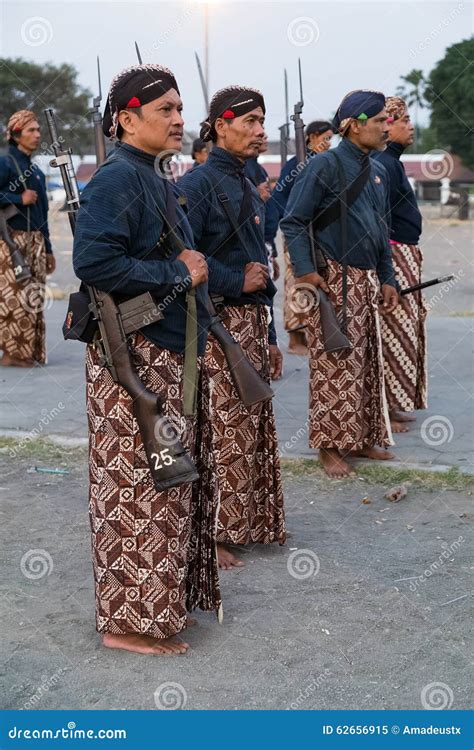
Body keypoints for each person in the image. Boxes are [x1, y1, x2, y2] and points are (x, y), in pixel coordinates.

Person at [72, 64, 221, 656]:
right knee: (136, 487)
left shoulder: (151, 173)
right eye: (166, 110)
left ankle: (157, 609)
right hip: (133, 354)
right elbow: (94, 263)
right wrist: (175, 273)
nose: (180, 119)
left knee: (165, 481)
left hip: (164, 350)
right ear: (127, 120)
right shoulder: (118, 177)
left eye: (181, 109)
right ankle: (126, 625)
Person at [179, 85, 286, 569]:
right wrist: (233, 279)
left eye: (262, 121)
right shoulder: (199, 184)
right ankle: (214, 533)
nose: (259, 131)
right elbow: (180, 258)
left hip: (250, 323)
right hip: (215, 322)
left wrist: (269, 335)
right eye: (249, 121)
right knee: (219, 430)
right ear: (221, 126)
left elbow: (255, 260)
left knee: (249, 427)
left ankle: (245, 523)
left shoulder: (247, 181)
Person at [281, 91, 398, 479]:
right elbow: (294, 222)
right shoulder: (324, 166)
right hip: (334, 281)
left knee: (366, 364)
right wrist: (306, 271)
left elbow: (381, 231)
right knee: (334, 366)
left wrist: (387, 278)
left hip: (367, 281)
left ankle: (361, 437)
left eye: (388, 120)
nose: (387, 127)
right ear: (353, 124)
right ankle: (329, 446)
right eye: (380, 120)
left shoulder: (377, 170)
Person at [372, 96, 427, 433]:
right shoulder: (384, 164)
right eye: (403, 120)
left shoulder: (392, 162)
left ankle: (395, 404)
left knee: (403, 332)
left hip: (404, 253)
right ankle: (385, 409)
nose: (411, 126)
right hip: (393, 256)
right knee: (392, 333)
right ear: (387, 126)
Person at [269, 121, 334, 355]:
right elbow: (280, 199)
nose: (329, 143)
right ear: (313, 137)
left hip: (320, 234)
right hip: (298, 234)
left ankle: (314, 331)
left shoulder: (326, 163)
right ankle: (296, 337)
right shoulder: (296, 164)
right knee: (296, 283)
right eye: (326, 138)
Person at [0, 110, 55, 367]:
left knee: (33, 297)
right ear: (16, 134)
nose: (37, 134)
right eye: (31, 130)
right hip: (10, 243)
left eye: (37, 130)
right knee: (14, 300)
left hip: (35, 243)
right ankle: (12, 354)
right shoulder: (5, 162)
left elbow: (43, 213)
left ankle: (28, 352)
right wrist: (16, 199)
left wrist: (49, 249)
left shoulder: (35, 171)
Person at [244, 134, 279, 280]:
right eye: (252, 123)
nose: (263, 134)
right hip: (258, 244)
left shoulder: (258, 168)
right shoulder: (245, 168)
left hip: (266, 243)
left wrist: (272, 251)